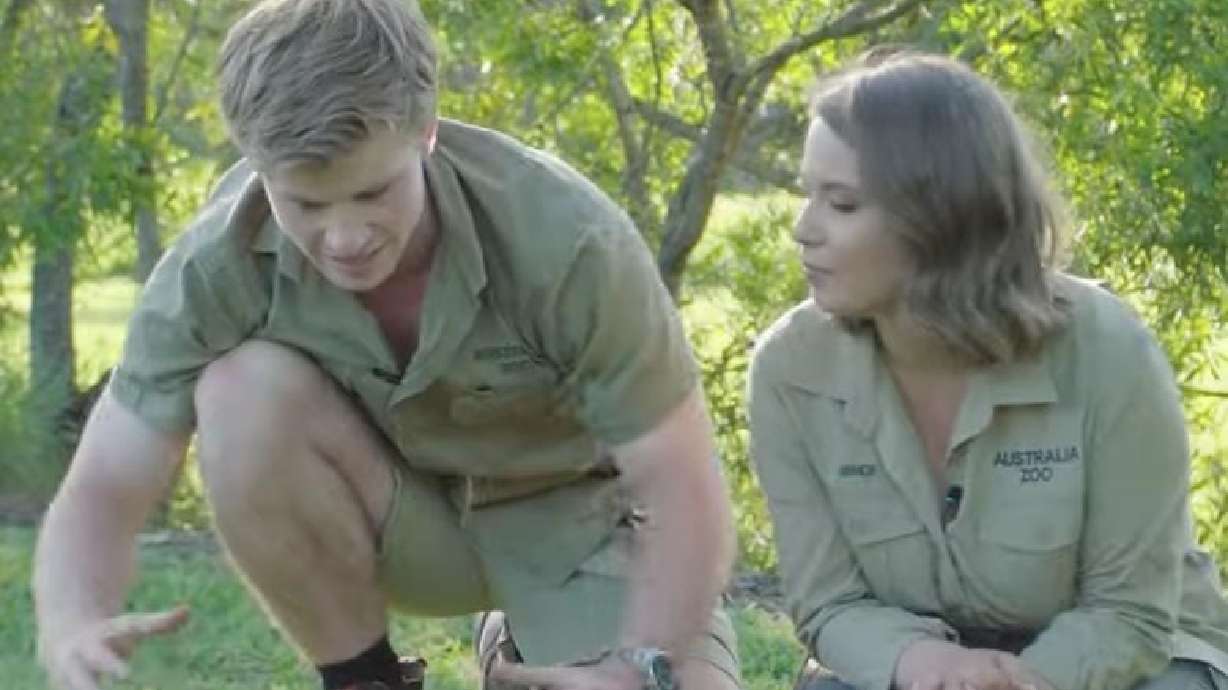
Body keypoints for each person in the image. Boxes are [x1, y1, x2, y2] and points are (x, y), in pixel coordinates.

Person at [31, 2, 743, 689]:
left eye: (374, 193)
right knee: (239, 391)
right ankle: (363, 680)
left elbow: (682, 484)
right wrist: (71, 621)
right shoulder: (215, 268)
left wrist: (639, 665)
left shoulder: (568, 239)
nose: (343, 237)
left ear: (426, 130)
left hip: (581, 527)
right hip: (401, 519)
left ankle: (526, 646)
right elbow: (105, 483)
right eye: (306, 204)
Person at [748, 48, 1228, 690]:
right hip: (924, 665)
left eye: (841, 204)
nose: (803, 230)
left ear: (939, 217)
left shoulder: (1108, 349)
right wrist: (929, 666)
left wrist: (1014, 683)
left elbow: (1130, 614)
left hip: (1124, 662)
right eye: (808, 195)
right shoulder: (789, 369)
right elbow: (830, 604)